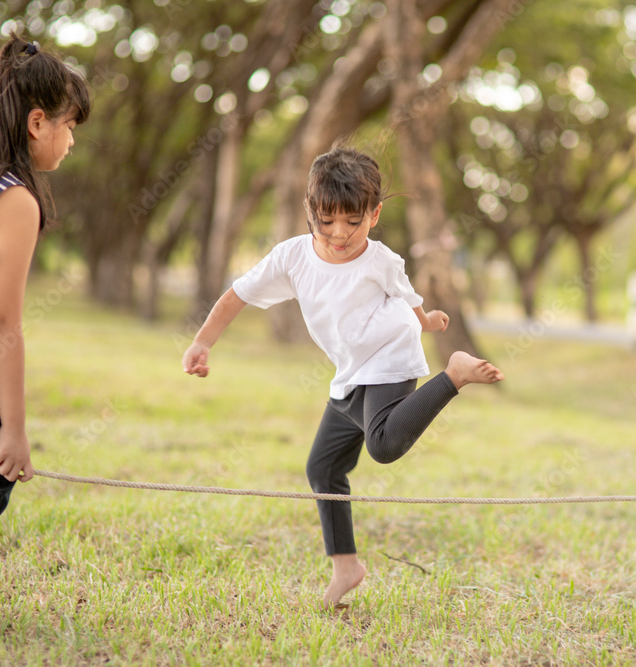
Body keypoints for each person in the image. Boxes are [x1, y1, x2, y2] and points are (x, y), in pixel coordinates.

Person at [182, 147, 504, 609]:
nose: (338, 234)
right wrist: (202, 342)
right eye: (326, 221)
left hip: (391, 354)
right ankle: (346, 567)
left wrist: (426, 322)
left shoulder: (380, 259)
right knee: (323, 468)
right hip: (350, 371)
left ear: (374, 215)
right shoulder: (291, 257)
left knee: (384, 445)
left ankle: (452, 376)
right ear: (310, 212)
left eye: (352, 222)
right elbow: (237, 296)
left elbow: (405, 297)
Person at [0, 35, 90, 633]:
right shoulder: (14, 199)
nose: (72, 139)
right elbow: (3, 323)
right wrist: (15, 431)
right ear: (38, 122)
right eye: (69, 125)